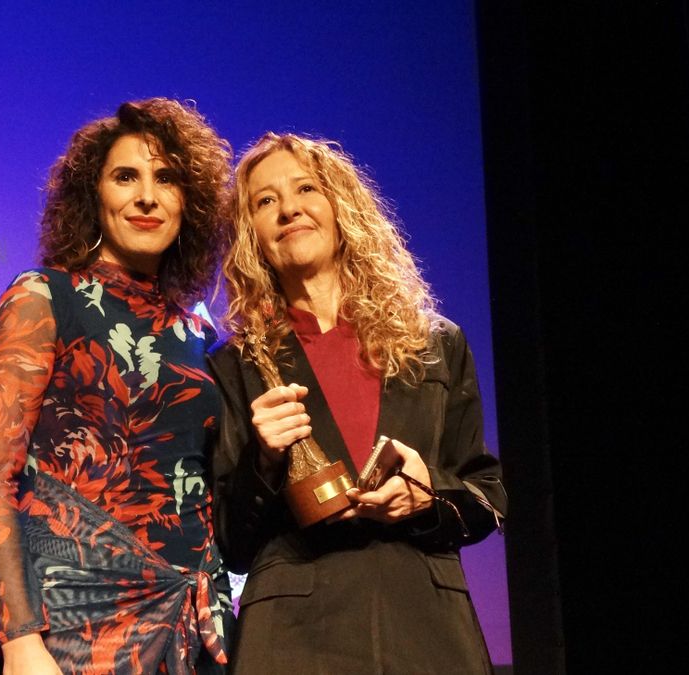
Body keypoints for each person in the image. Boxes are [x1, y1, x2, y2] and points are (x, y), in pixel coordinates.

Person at [209, 133, 507, 673]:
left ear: (342, 207)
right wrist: (265, 461)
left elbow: (488, 497)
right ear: (250, 235)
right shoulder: (234, 365)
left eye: (306, 189)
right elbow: (230, 543)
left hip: (426, 626)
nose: (289, 208)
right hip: (294, 636)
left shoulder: (437, 342)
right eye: (264, 201)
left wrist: (427, 494)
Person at [0, 99, 233, 674]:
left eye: (166, 178)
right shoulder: (42, 297)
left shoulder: (198, 332)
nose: (147, 196)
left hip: (196, 626)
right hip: (73, 629)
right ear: (94, 194)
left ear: (191, 201)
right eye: (125, 177)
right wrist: (19, 640)